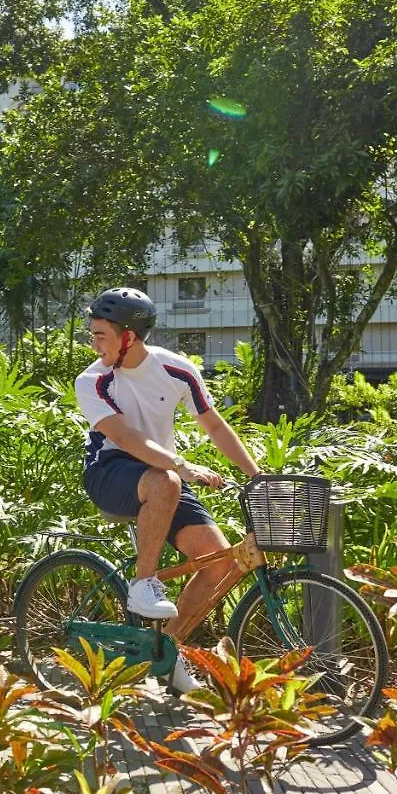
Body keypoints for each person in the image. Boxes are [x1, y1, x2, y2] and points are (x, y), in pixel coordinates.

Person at [74, 287, 262, 694]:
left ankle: (166, 654)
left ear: (129, 336)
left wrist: (255, 474)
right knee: (167, 481)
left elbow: (213, 425)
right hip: (109, 471)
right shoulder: (93, 380)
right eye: (92, 334)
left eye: (100, 334)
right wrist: (181, 465)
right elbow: (124, 438)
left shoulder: (176, 369)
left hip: (163, 479)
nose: (94, 343)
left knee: (221, 563)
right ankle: (143, 585)